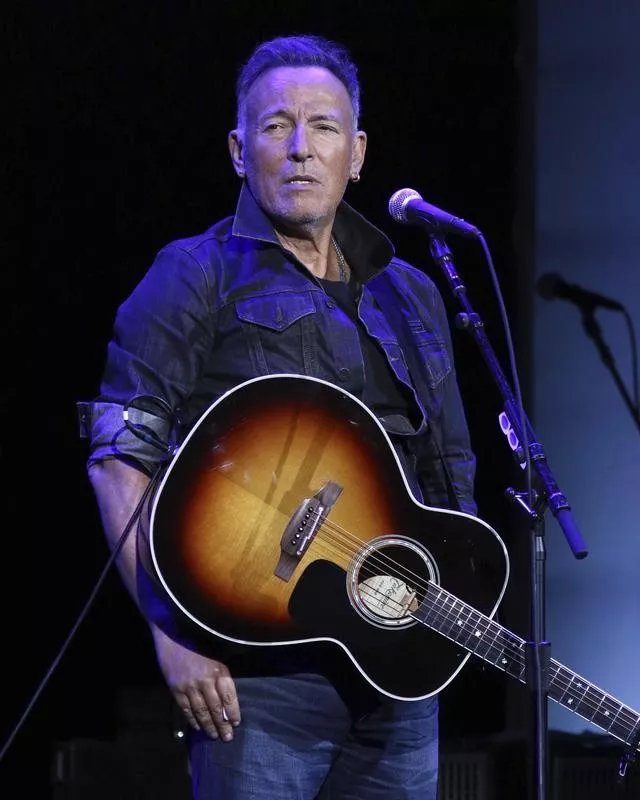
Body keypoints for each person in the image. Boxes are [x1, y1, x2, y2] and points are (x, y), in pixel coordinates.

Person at [85, 33, 477, 800]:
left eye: (324, 127)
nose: (301, 148)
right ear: (239, 150)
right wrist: (170, 637)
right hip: (256, 678)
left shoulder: (413, 295)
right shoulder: (193, 275)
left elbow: (449, 477)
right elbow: (117, 459)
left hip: (398, 680)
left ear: (356, 153)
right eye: (276, 126)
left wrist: (440, 628)